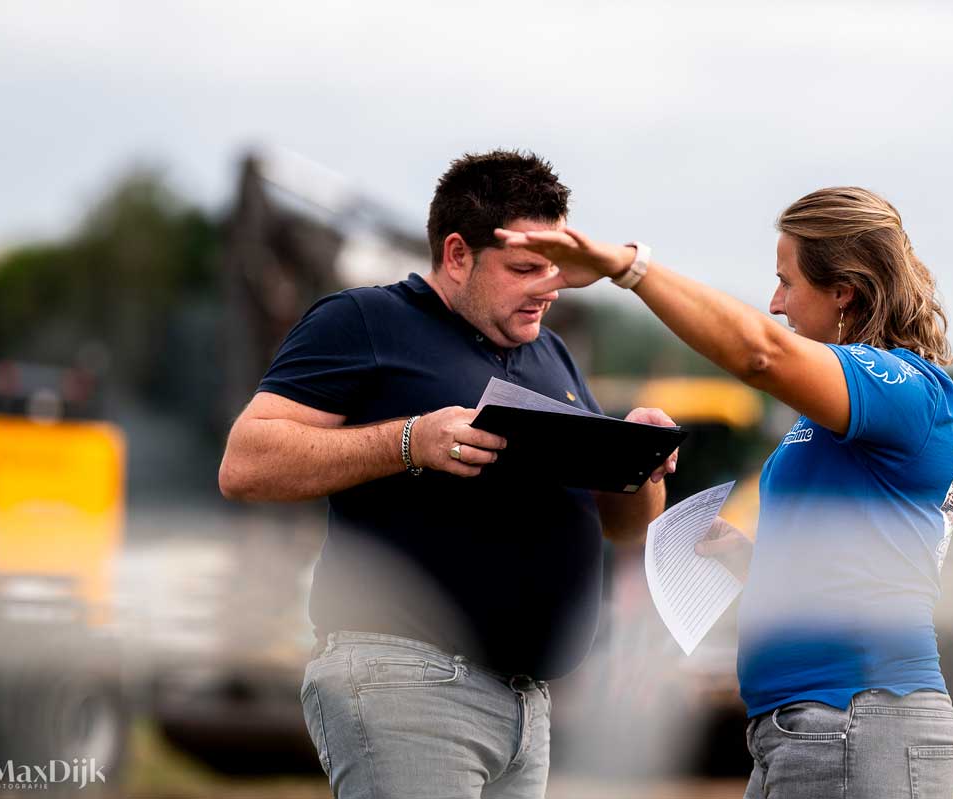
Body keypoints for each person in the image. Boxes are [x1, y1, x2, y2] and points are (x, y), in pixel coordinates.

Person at [218, 150, 676, 799]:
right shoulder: (364, 320)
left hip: (528, 706)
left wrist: (642, 463)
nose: (548, 286)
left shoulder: (552, 351)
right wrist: (411, 440)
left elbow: (628, 528)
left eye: (555, 267)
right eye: (524, 268)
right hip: (409, 683)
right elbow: (246, 462)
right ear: (457, 254)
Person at [497, 186, 953, 799]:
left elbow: (759, 354)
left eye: (787, 282)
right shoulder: (834, 420)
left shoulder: (906, 389)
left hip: (859, 720)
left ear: (844, 292)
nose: (776, 304)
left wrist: (628, 268)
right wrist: (749, 564)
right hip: (809, 727)